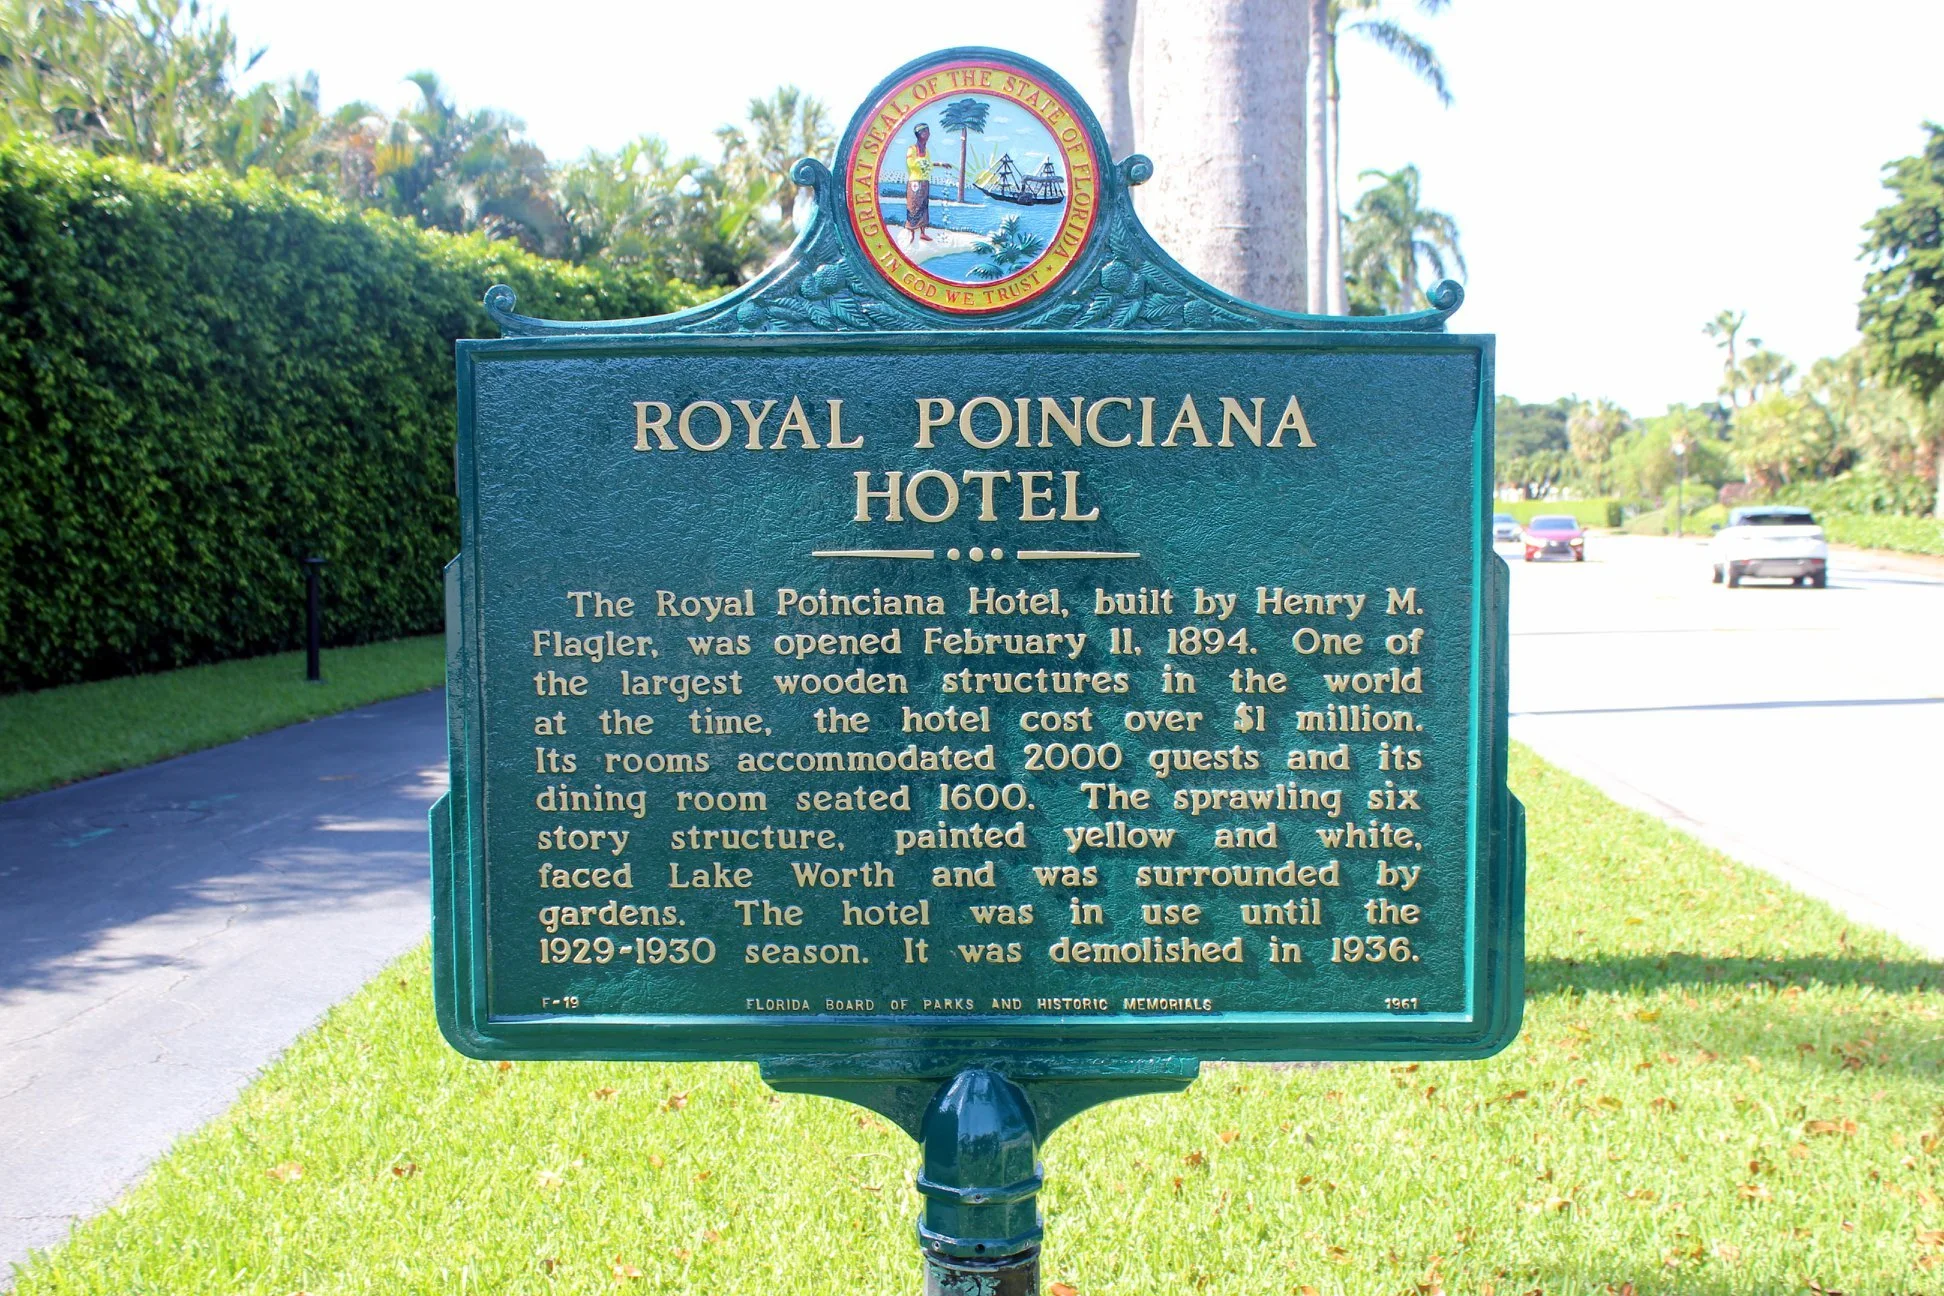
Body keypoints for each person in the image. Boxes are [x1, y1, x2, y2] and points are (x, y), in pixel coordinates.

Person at [904, 123, 952, 244]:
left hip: (925, 181)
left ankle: (922, 232)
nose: (928, 134)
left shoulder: (926, 151)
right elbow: (911, 164)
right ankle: (911, 233)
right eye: (926, 132)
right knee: (913, 206)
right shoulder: (912, 149)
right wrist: (923, 163)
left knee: (924, 206)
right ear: (919, 134)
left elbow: (929, 163)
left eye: (928, 132)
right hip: (915, 181)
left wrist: (940, 164)